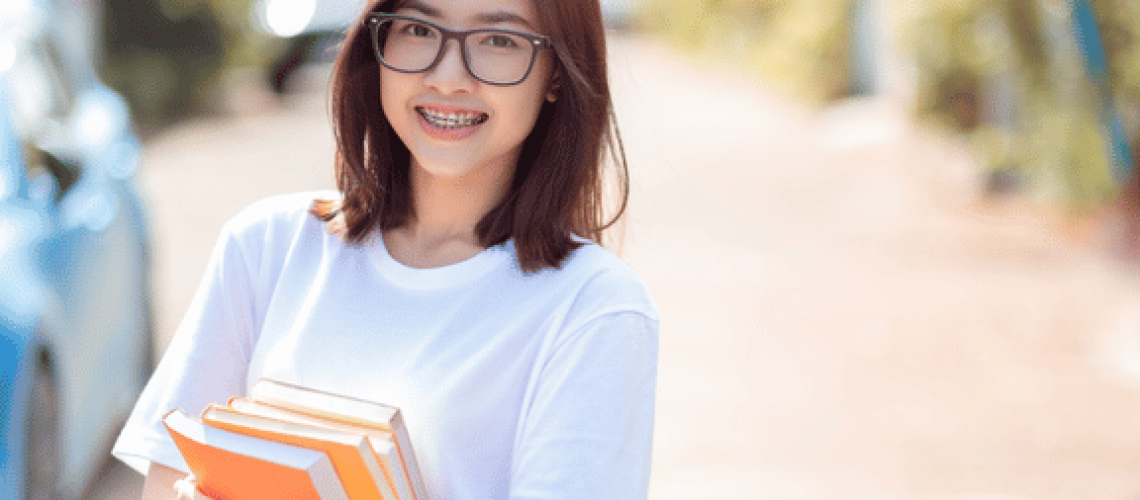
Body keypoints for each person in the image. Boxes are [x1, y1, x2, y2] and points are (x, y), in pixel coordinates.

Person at [112, 0, 659, 497]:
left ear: (556, 73)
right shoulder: (266, 247)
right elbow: (167, 483)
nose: (448, 78)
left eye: (499, 40)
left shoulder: (593, 307)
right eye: (420, 29)